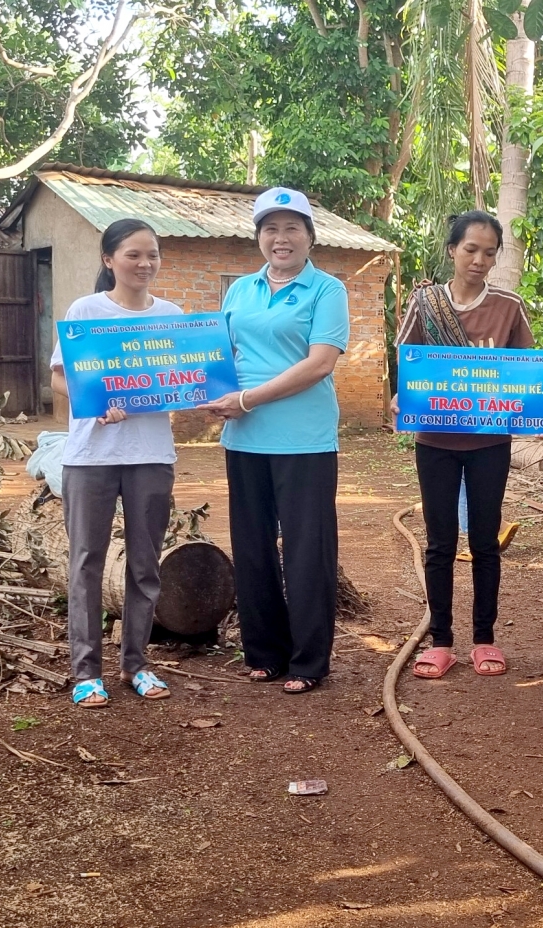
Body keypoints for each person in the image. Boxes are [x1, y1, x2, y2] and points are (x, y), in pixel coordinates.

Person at [199, 187, 348, 694]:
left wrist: (246, 400)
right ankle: (264, 652)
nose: (280, 238)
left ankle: (309, 662)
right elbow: (219, 355)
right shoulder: (240, 290)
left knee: (308, 550)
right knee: (253, 546)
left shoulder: (327, 290)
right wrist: (203, 391)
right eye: (270, 228)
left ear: (309, 236)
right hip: (244, 439)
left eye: (291, 228)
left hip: (304, 440)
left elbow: (319, 364)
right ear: (258, 236)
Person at [392, 210, 533, 679]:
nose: (479, 259)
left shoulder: (509, 307)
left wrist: (533, 404)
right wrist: (399, 396)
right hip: (435, 439)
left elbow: (523, 372)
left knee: (486, 543)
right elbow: (408, 362)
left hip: (489, 443)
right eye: (470, 249)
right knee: (439, 543)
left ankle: (484, 639)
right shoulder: (425, 303)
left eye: (489, 252)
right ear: (452, 250)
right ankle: (442, 642)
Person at [51, 218, 178, 707]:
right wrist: (96, 400)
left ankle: (137, 665)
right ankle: (86, 672)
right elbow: (61, 377)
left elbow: (183, 380)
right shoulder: (87, 310)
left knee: (145, 566)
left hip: (151, 454)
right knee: (86, 563)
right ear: (109, 260)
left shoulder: (171, 316)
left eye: (152, 255)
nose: (145, 263)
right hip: (90, 456)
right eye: (133, 255)